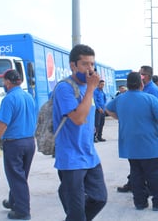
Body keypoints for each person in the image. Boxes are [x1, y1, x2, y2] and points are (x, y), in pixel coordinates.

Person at [106, 72, 158, 211]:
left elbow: (108, 109)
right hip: (149, 145)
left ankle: (140, 202)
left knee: (136, 174)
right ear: (141, 84)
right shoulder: (149, 99)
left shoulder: (120, 99)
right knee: (156, 174)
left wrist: (120, 117)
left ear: (127, 85)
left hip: (130, 145)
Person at [52, 44, 107, 221]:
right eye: (85, 64)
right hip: (71, 158)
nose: (90, 69)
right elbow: (78, 119)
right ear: (73, 66)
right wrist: (91, 88)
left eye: (92, 64)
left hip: (89, 154)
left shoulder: (88, 87)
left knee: (100, 198)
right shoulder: (65, 88)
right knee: (76, 213)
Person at [0, 69, 36, 220]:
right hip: (29, 142)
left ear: (7, 82)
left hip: (15, 144)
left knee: (16, 177)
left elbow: (3, 124)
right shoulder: (28, 97)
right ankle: (13, 201)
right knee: (20, 175)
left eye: (3, 80)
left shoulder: (9, 99)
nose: (2, 83)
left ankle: (22, 211)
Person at [117, 65, 158, 193]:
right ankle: (135, 185)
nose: (140, 75)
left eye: (141, 73)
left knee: (147, 164)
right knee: (137, 162)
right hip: (137, 130)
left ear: (147, 76)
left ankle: (143, 189)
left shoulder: (153, 90)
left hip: (147, 131)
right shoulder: (140, 90)